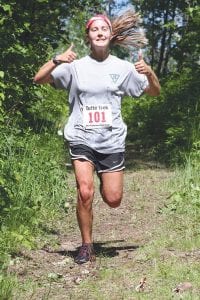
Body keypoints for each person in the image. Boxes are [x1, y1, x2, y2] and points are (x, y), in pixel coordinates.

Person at [34, 13, 160, 264]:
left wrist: (150, 73)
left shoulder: (123, 68)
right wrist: (56, 59)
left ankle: (105, 176)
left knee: (113, 199)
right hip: (81, 136)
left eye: (104, 29)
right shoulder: (74, 66)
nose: (100, 32)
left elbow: (154, 92)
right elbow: (39, 79)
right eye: (95, 30)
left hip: (111, 140)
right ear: (88, 37)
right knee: (85, 191)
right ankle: (86, 246)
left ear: (111, 35)